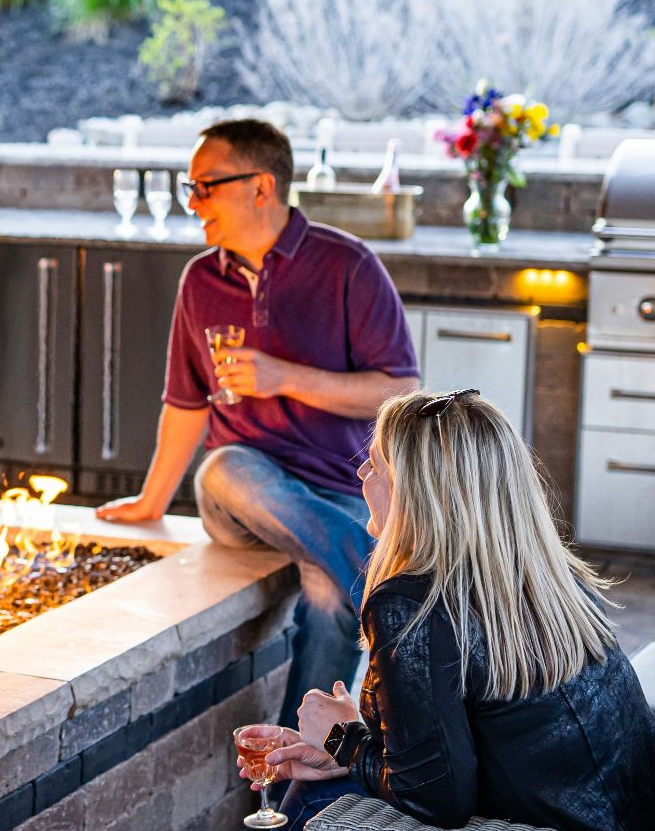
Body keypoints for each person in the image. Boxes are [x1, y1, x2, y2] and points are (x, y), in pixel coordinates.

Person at [87, 389, 655, 831]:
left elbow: (440, 797)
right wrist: (356, 738)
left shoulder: (412, 600)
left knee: (323, 799)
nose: (361, 477)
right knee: (330, 780)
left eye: (376, 465)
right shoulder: (536, 569)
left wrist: (343, 746)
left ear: (420, 494)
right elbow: (493, 722)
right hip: (646, 820)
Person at [97, 119, 420, 729]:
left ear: (260, 187)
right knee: (223, 467)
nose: (192, 201)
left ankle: (298, 784)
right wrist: (151, 500)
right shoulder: (200, 279)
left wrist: (283, 377)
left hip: (336, 492)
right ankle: (387, 588)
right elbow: (187, 402)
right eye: (190, 187)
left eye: (204, 186)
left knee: (328, 601)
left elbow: (400, 391)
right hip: (242, 494)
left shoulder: (348, 266)